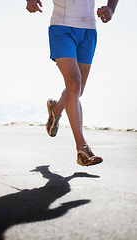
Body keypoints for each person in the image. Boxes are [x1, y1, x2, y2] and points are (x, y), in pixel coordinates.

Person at [26, 0, 119, 166]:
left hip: (88, 30)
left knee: (77, 90)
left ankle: (55, 109)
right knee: (74, 84)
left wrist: (111, 8)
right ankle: (82, 149)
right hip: (62, 27)